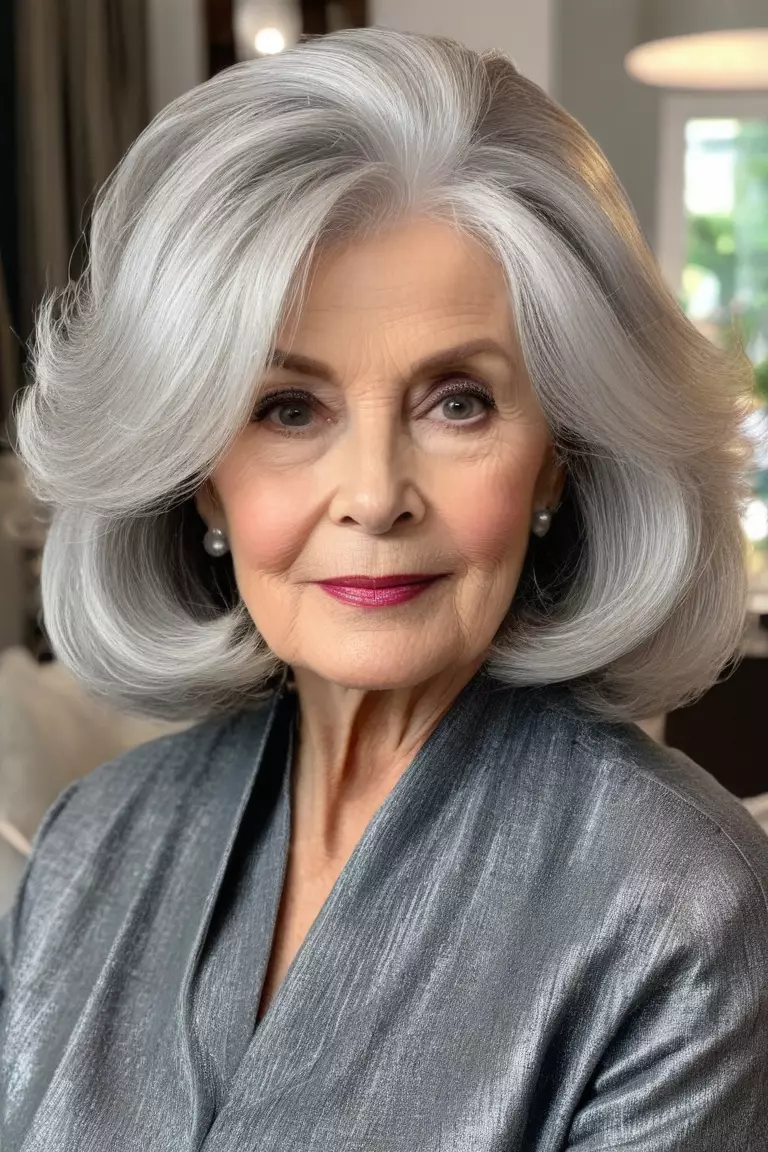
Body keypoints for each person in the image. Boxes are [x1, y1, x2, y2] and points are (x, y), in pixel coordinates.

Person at [1, 26, 766, 1151]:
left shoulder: (677, 902)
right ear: (198, 478)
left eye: (458, 401)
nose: (374, 495)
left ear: (558, 453)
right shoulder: (90, 840)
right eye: (288, 408)